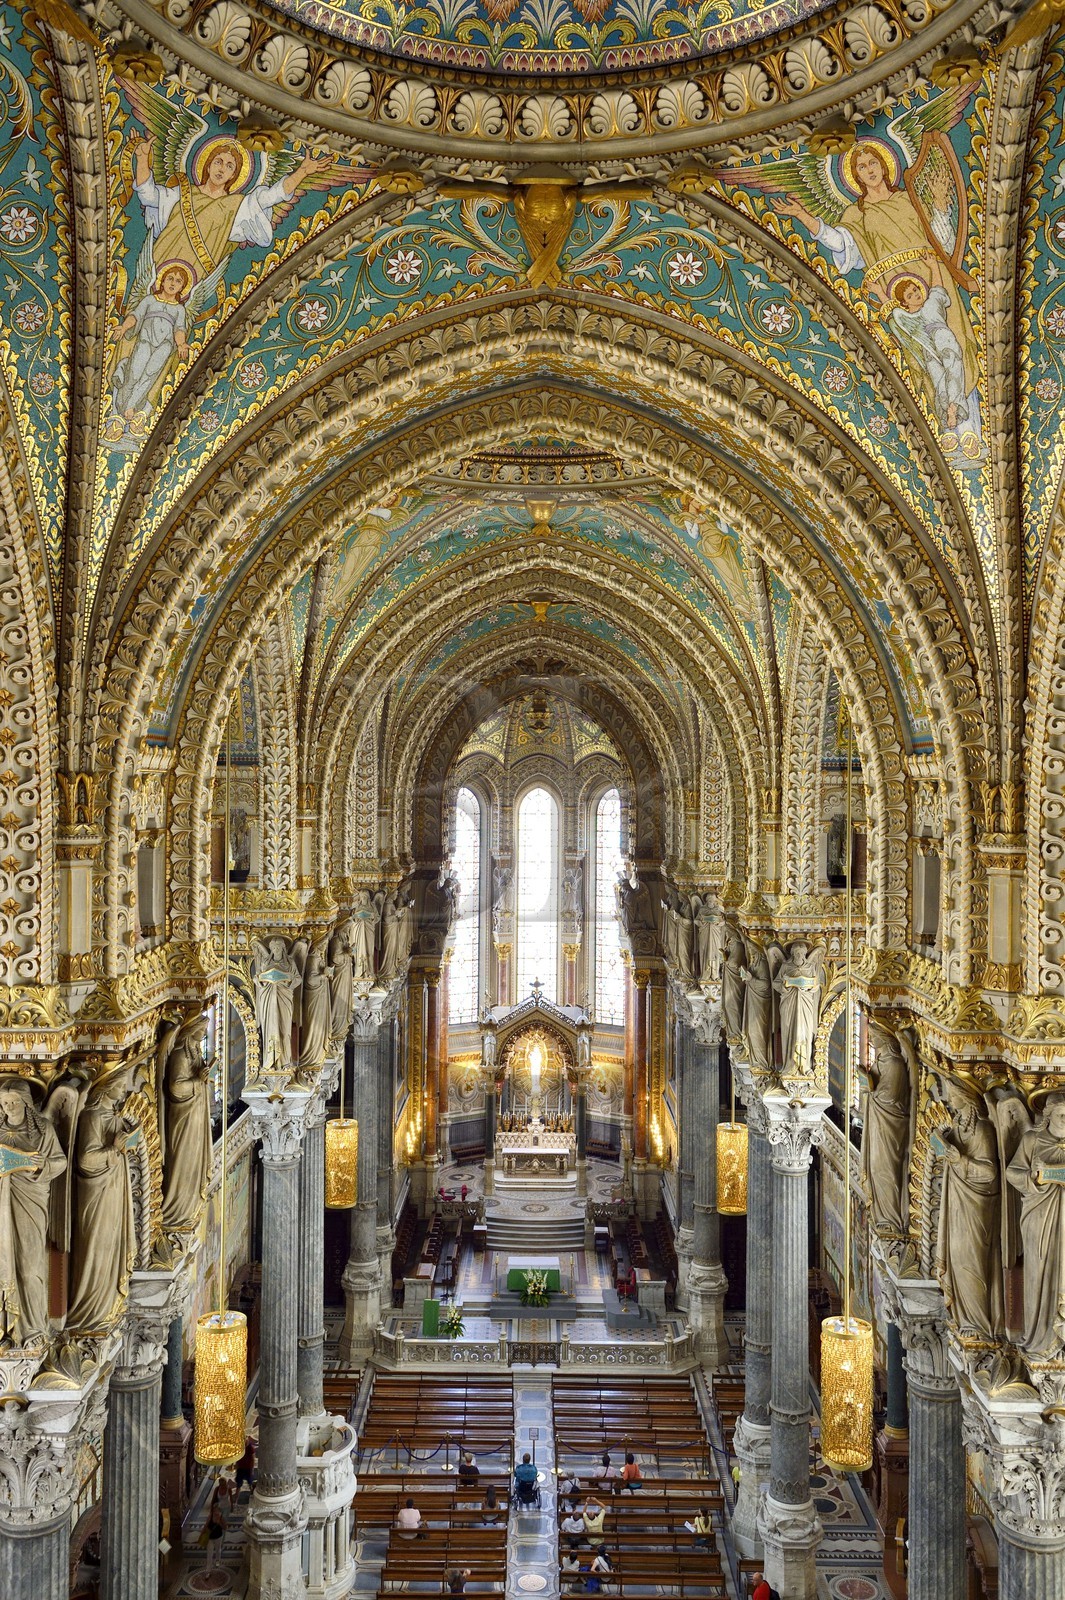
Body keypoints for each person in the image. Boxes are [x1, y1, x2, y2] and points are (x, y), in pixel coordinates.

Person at [203, 1496, 225, 1568]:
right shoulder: (210, 1516)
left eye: (217, 1510)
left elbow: (225, 1527)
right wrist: (203, 1532)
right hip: (210, 1537)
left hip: (218, 1537)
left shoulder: (221, 1518)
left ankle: (217, 1560)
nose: (215, 1512)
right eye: (214, 1510)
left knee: (218, 1550)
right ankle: (208, 1569)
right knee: (209, 1553)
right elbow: (206, 1524)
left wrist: (219, 1523)